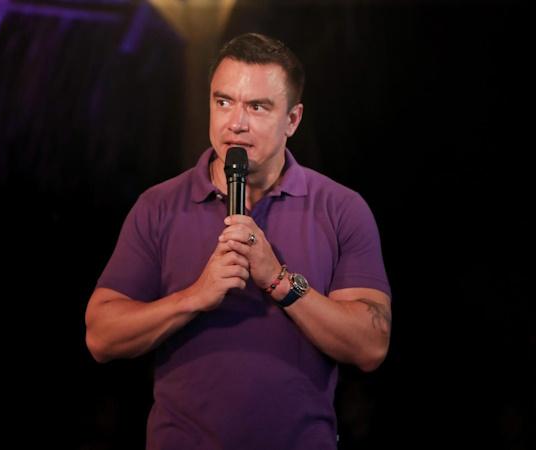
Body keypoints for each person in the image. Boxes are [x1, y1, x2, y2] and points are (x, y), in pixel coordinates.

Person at [85, 32, 391, 450]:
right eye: (223, 101)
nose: (236, 123)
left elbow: (371, 346)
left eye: (257, 107)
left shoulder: (340, 208)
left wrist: (279, 280)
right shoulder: (158, 206)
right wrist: (194, 297)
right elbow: (101, 337)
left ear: (293, 120)